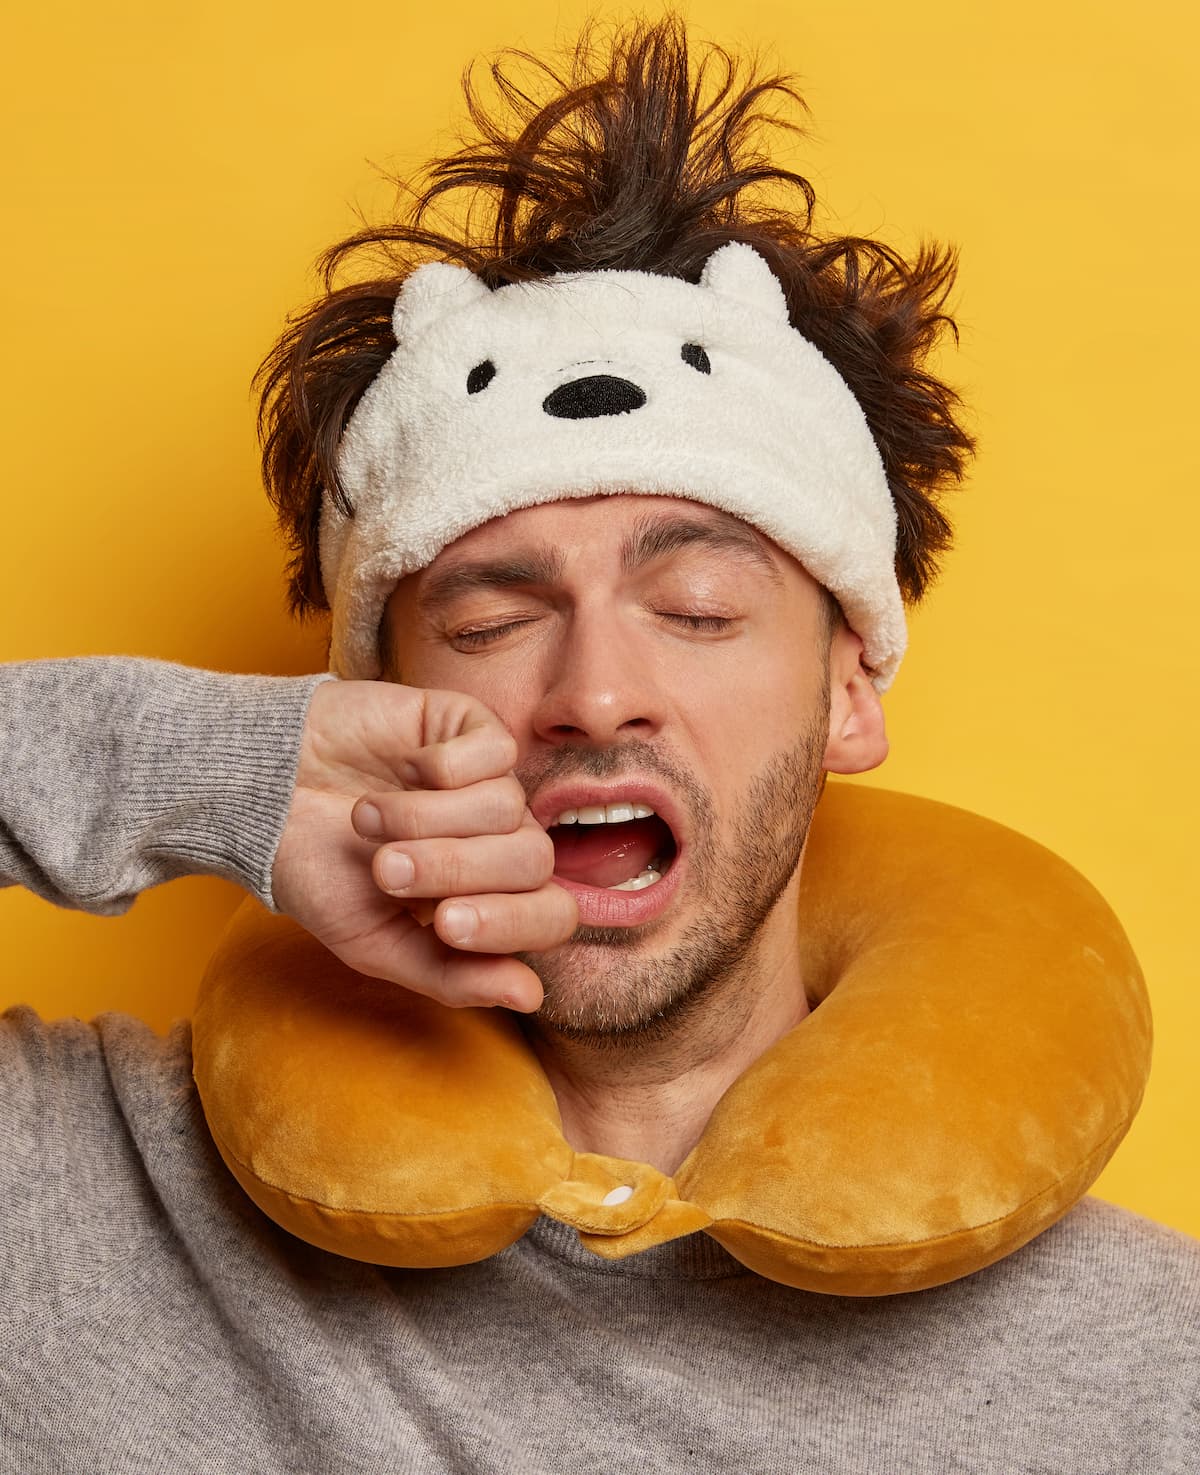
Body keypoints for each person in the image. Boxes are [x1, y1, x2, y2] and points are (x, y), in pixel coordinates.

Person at [1, 18, 1196, 1474]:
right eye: (495, 617)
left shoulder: (1151, 1371)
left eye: (694, 607)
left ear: (850, 692)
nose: (595, 693)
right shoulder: (74, 1203)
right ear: (369, 697)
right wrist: (200, 768)